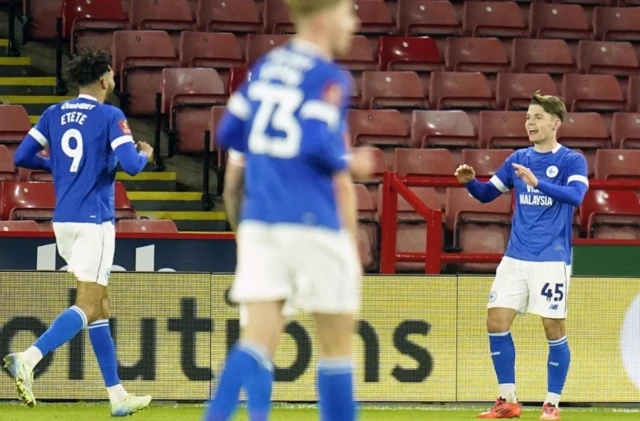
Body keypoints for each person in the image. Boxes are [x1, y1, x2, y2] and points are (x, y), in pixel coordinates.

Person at [201, 0, 374, 420]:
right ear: (322, 19)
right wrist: (354, 163)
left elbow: (228, 131)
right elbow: (317, 142)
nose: (354, 22)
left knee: (256, 341)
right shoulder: (329, 77)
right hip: (312, 221)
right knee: (336, 348)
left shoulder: (266, 66)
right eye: (347, 13)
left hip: (260, 222)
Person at [3, 50, 153, 417]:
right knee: (88, 303)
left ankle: (117, 396)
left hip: (63, 220)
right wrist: (145, 153)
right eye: (112, 76)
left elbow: (21, 156)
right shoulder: (109, 115)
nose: (114, 81)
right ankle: (28, 357)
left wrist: (57, 166)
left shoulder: (54, 113)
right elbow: (132, 166)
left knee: (99, 304)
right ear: (103, 80)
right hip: (94, 221)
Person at [455, 93, 588, 420]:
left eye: (538, 117)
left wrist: (537, 182)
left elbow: (576, 196)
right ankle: (508, 400)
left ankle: (551, 404)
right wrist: (471, 183)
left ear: (555, 123)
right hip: (516, 256)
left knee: (553, 328)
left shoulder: (573, 160)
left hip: (551, 258)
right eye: (528, 117)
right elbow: (488, 194)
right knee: (495, 320)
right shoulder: (518, 158)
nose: (530, 122)